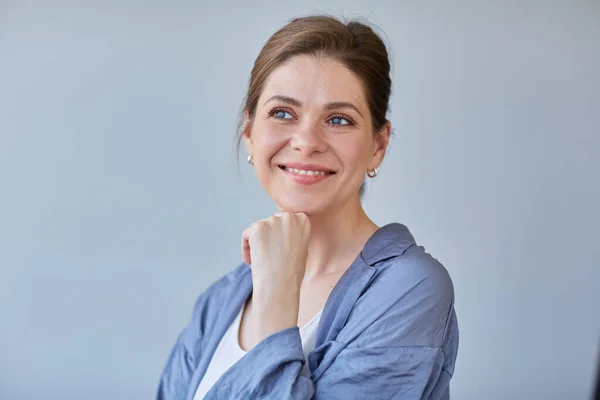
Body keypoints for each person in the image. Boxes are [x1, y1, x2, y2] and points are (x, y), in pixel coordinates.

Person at [157, 15, 459, 400]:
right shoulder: (220, 300)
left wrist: (278, 297)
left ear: (378, 146)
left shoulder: (409, 290)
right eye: (283, 113)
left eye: (338, 119)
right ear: (249, 134)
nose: (306, 141)